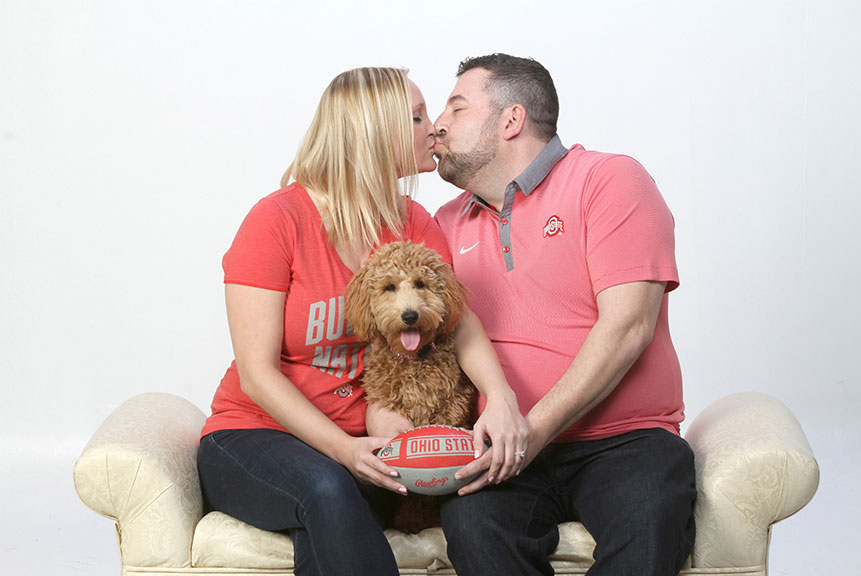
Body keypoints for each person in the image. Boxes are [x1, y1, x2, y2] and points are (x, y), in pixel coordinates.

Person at [196, 67, 526, 576]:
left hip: (367, 453)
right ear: (376, 132)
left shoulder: (413, 222)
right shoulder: (277, 221)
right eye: (417, 117)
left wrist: (502, 399)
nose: (434, 127)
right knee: (328, 488)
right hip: (255, 436)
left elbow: (461, 325)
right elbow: (257, 375)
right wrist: (346, 450)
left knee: (333, 521)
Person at [432, 54, 697, 576]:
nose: (438, 124)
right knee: (472, 528)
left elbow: (628, 327)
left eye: (457, 108)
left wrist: (533, 432)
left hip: (626, 441)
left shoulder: (608, 179)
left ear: (511, 121)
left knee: (648, 526)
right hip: (501, 446)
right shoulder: (444, 223)